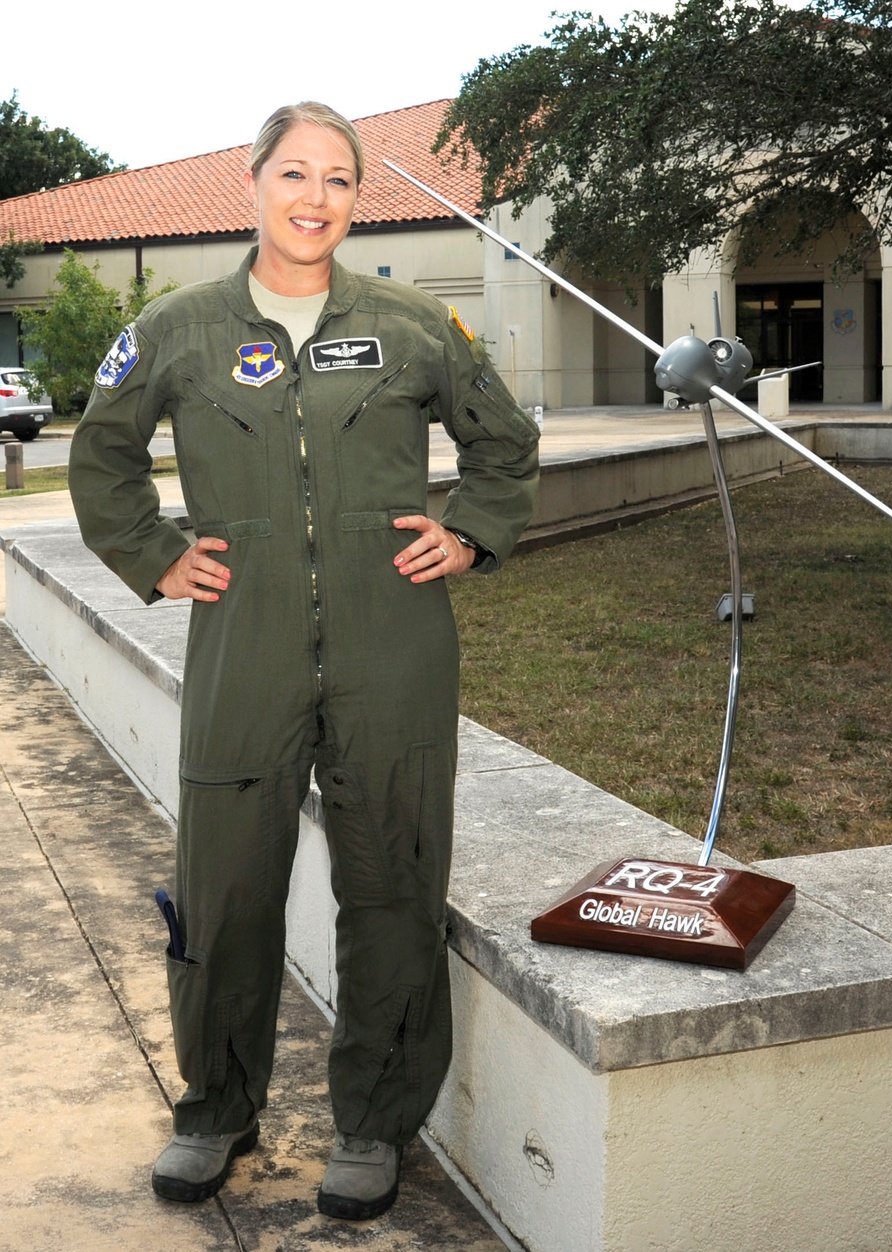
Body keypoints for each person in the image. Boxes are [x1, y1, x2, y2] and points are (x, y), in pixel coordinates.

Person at [68, 102, 539, 1221]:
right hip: (245, 648)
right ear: (254, 183)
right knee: (225, 888)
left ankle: (373, 1123)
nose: (314, 197)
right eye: (293, 173)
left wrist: (469, 530)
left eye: (337, 178)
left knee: (391, 884)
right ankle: (215, 1109)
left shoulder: (416, 323)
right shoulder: (178, 326)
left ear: (357, 194)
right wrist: (157, 555)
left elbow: (503, 443)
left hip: (396, 651)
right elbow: (101, 451)